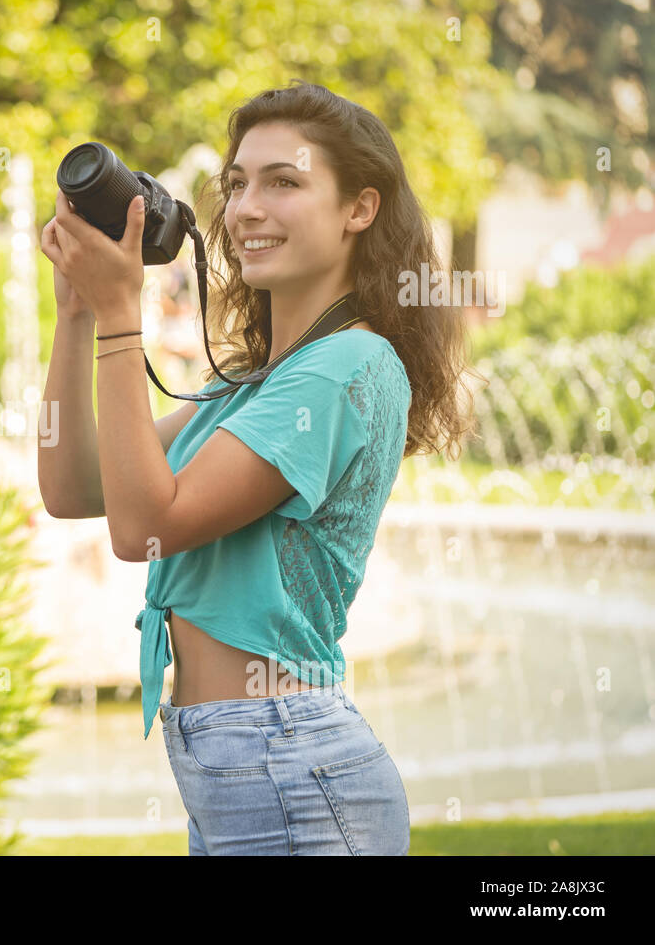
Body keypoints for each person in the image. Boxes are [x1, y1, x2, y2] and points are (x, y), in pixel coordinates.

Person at [36, 81, 480, 855]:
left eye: (285, 182)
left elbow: (144, 528)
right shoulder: (250, 385)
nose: (245, 208)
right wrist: (76, 316)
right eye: (237, 183)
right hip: (239, 765)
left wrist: (119, 316)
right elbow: (75, 489)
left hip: (288, 764)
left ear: (359, 209)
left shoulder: (347, 367)